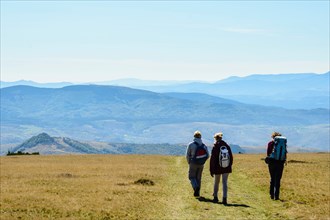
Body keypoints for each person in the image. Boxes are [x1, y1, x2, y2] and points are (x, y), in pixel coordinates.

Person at [209, 132, 233, 205]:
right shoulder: (226, 146)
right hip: (226, 167)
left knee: (216, 182)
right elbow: (231, 157)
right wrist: (229, 165)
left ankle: (215, 197)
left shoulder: (215, 146)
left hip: (217, 167)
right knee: (224, 182)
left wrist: (211, 170)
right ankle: (224, 198)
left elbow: (212, 159)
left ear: (215, 139)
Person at [186, 130, 209, 197]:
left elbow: (187, 155)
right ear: (200, 137)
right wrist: (203, 161)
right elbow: (208, 155)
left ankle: (196, 187)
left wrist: (189, 162)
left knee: (191, 177)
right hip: (201, 164)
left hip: (193, 163)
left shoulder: (191, 145)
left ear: (194, 136)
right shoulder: (204, 145)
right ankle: (197, 193)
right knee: (198, 178)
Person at [267, 132, 286, 200]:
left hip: (272, 163)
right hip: (280, 163)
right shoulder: (283, 144)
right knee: (278, 179)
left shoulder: (270, 143)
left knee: (272, 179)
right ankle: (277, 196)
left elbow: (268, 153)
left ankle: (271, 195)